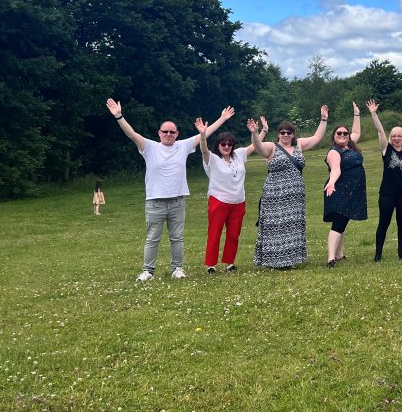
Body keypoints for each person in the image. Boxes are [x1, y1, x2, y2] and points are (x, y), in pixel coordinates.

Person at [105, 97, 232, 281]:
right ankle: (148, 271)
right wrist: (119, 116)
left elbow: (205, 133)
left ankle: (177, 269)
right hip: (155, 202)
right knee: (152, 238)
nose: (168, 134)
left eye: (172, 132)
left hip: (177, 201)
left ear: (177, 134)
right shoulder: (149, 146)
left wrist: (222, 119)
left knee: (177, 238)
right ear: (159, 133)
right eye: (165, 131)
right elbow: (131, 134)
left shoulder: (183, 146)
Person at [250, 106, 329, 269]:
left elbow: (317, 137)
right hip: (275, 194)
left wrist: (323, 119)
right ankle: (274, 260)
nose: (285, 135)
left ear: (293, 134)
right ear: (278, 134)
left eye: (289, 132)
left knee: (293, 225)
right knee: (275, 225)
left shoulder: (299, 145)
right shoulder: (272, 147)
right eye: (282, 132)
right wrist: (254, 133)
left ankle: (290, 259)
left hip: (295, 194)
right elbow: (259, 148)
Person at [196, 115, 268, 274]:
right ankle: (211, 265)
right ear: (218, 145)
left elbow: (254, 146)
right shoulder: (212, 159)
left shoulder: (238, 155)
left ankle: (230, 263)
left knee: (234, 235)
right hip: (218, 201)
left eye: (229, 144)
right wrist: (202, 135)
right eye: (223, 144)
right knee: (214, 233)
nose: (226, 146)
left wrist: (260, 131)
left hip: (238, 202)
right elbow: (203, 149)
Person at [367, 99, 402, 261]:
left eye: (399, 136)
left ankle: (401, 252)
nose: (397, 138)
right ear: (391, 137)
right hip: (387, 193)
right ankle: (378, 254)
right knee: (383, 222)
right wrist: (373, 114)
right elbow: (380, 131)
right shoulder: (386, 148)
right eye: (394, 136)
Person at [323, 103, 366, 266]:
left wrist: (356, 114)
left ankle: (339, 254)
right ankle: (331, 258)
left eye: (345, 133)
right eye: (339, 133)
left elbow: (357, 132)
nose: (342, 135)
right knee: (339, 223)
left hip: (351, 191)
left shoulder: (350, 145)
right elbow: (336, 170)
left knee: (342, 222)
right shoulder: (334, 152)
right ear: (334, 136)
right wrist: (332, 182)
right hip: (339, 190)